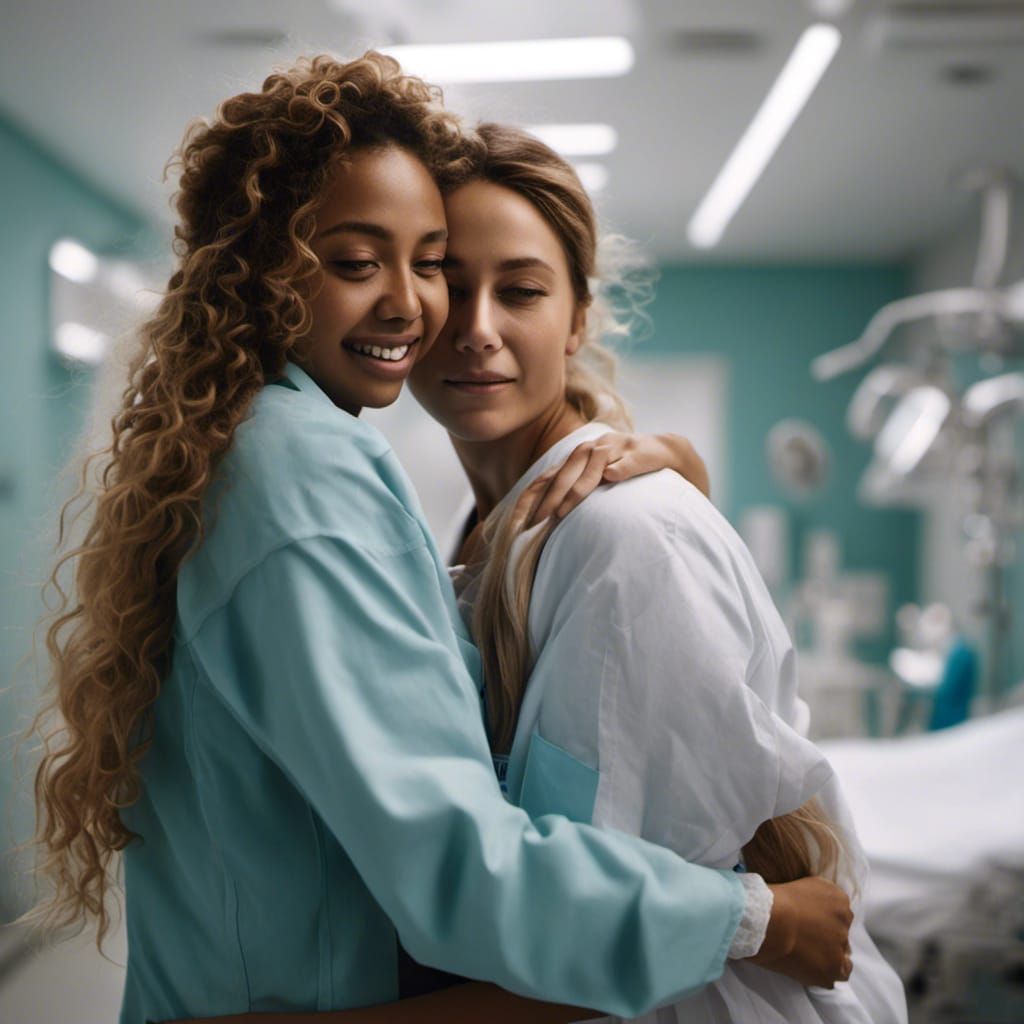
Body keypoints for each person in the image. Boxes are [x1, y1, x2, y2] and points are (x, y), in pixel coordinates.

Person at [30, 55, 854, 1024]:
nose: (440, 316)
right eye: (357, 261)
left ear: (579, 315)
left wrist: (677, 475)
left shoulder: (598, 519)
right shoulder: (308, 470)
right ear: (263, 271)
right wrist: (756, 918)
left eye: (427, 260)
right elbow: (460, 869)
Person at [404, 123, 909, 1023]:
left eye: (521, 290)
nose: (478, 330)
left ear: (579, 318)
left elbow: (594, 938)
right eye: (446, 282)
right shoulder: (480, 532)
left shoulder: (623, 539)